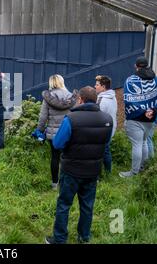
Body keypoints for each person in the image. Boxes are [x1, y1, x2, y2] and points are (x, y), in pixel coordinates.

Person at [45, 86, 113, 244]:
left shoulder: (71, 119)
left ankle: (60, 239)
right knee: (87, 206)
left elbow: (57, 143)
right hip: (93, 171)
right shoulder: (107, 120)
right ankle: (84, 237)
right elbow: (106, 143)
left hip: (71, 171)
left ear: (81, 99)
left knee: (64, 204)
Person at [119, 57, 157, 178]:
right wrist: (153, 110)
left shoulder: (130, 80)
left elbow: (128, 100)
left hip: (135, 118)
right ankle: (144, 168)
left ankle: (134, 172)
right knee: (144, 142)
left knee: (137, 145)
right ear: (147, 65)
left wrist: (143, 111)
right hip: (151, 118)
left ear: (136, 66)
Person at [37, 74, 78, 190]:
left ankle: (55, 183)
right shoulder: (71, 97)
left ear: (51, 83)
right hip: (68, 133)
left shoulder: (48, 98)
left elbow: (43, 117)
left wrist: (39, 131)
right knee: (68, 158)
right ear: (62, 82)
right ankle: (67, 182)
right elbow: (76, 115)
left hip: (53, 134)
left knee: (55, 157)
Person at [94, 75, 117, 175]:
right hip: (110, 128)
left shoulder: (102, 100)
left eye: (97, 85)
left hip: (102, 131)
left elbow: (97, 118)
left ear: (103, 87)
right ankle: (108, 172)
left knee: (101, 152)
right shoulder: (112, 97)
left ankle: (101, 174)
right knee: (105, 150)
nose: (95, 86)